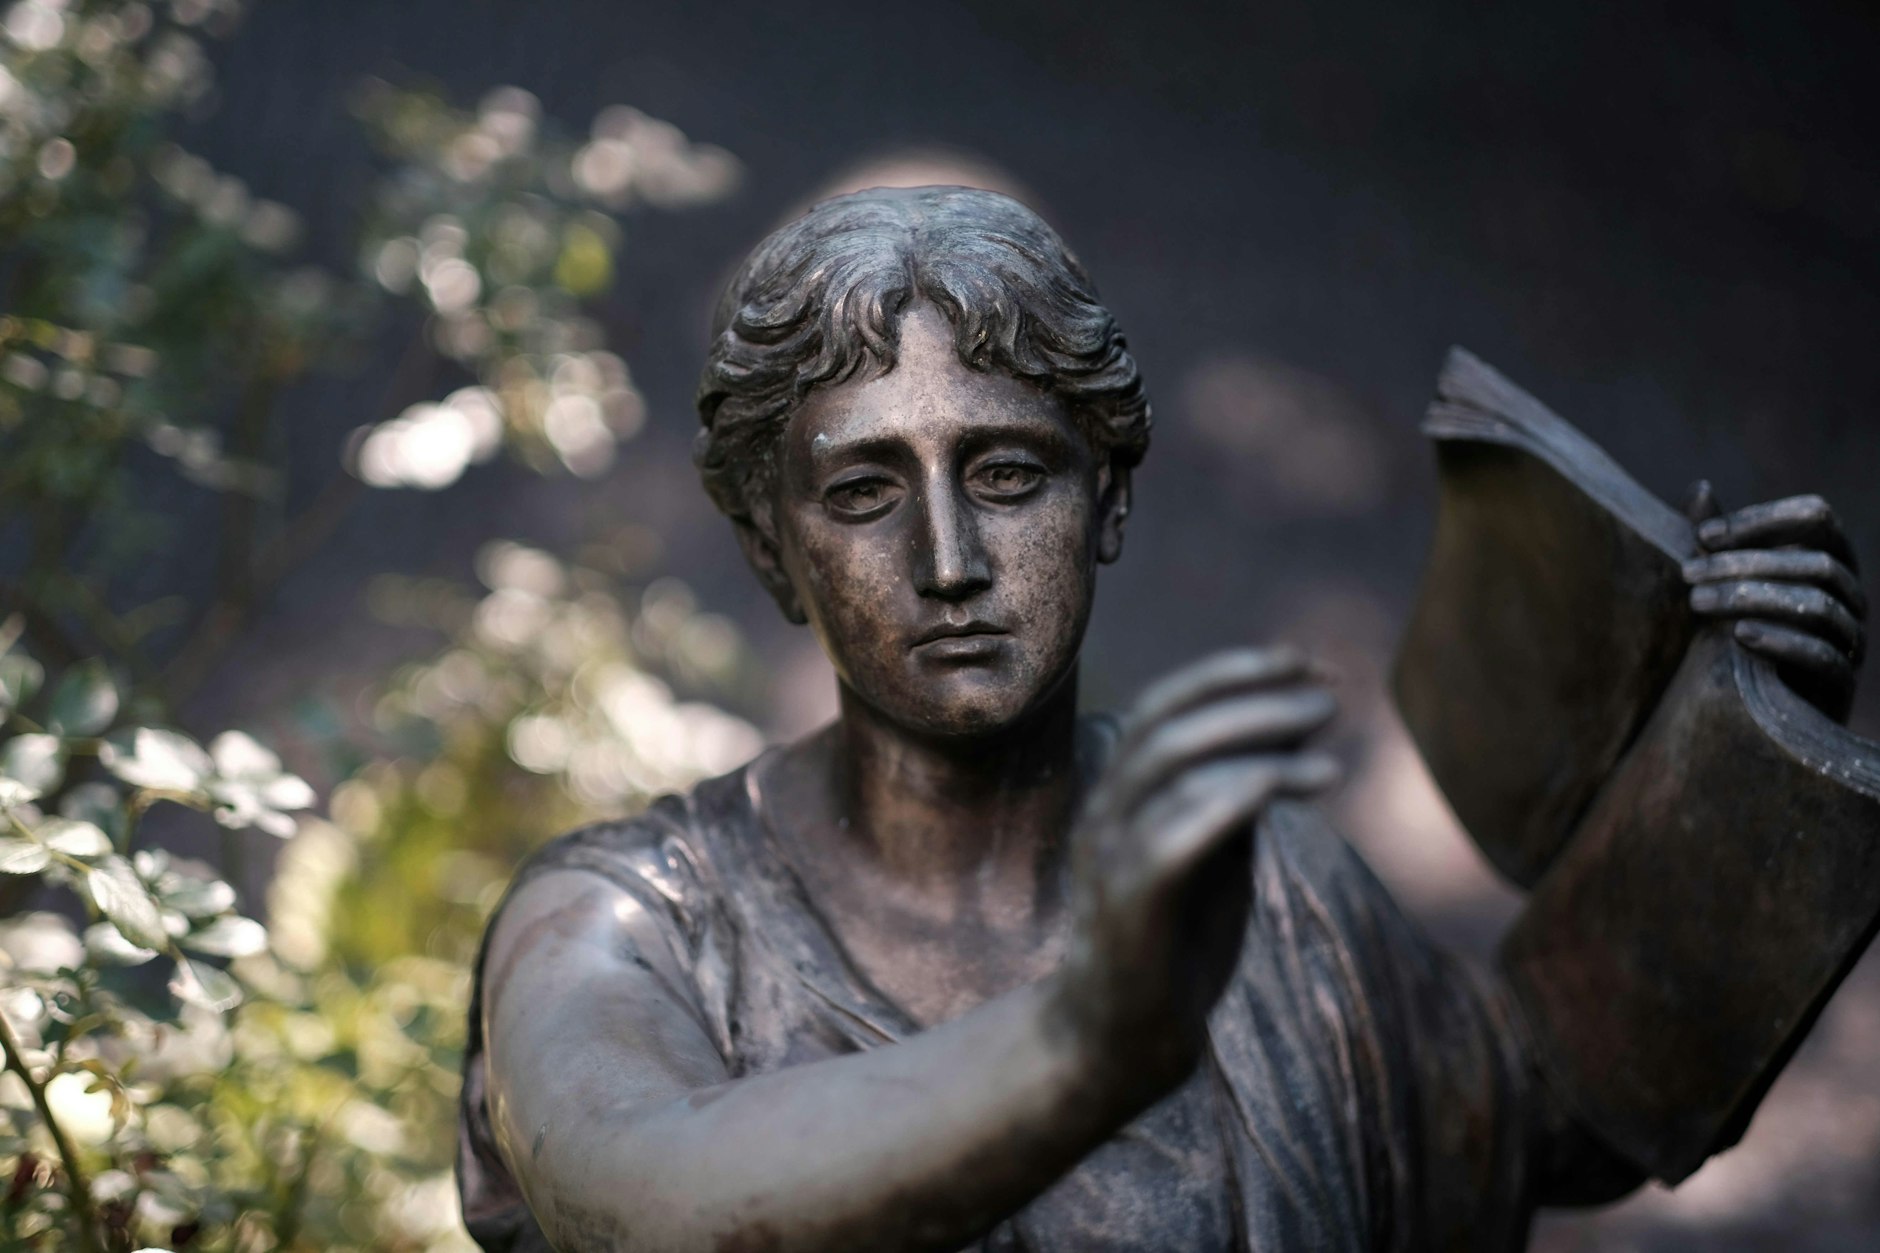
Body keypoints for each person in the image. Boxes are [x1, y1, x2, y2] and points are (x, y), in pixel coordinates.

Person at [455, 186, 1868, 1252]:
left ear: (1109, 499)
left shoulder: (1274, 895)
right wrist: (1090, 1039)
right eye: (866, 493)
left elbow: (1548, 1094)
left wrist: (1737, 753)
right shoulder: (629, 922)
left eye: (1008, 473)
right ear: (772, 547)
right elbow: (635, 1186)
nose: (948, 557)